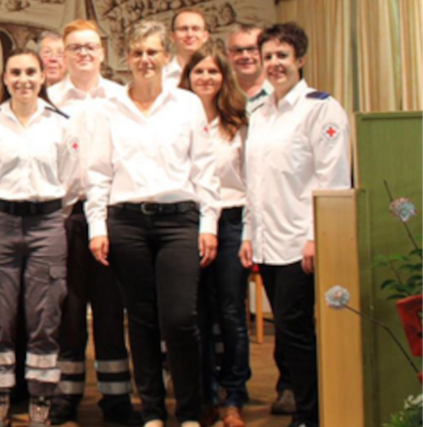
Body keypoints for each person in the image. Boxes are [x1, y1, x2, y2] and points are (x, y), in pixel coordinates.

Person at [84, 20, 219, 427]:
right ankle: (154, 412)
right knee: (140, 321)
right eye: (138, 52)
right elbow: (96, 173)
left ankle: (190, 412)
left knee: (180, 319)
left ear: (165, 56)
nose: (145, 60)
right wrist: (97, 227)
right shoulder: (106, 109)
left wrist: (209, 223)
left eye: (153, 52)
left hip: (179, 221)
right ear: (127, 58)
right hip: (126, 222)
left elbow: (205, 169)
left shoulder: (187, 104)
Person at [241, 22, 350, 427]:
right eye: (268, 56)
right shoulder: (260, 112)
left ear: (300, 60)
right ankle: (307, 406)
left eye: (282, 56)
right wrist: (249, 234)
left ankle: (311, 414)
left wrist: (315, 237)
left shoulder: (321, 109)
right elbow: (256, 182)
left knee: (297, 333)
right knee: (286, 334)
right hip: (268, 242)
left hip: (301, 243)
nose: (274, 64)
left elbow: (333, 179)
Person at [0, 48, 77, 427]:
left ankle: (40, 403)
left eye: (31, 72)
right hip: (0, 222)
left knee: (44, 316)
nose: (23, 79)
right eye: (15, 72)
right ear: (4, 79)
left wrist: (46, 210)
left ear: (42, 76)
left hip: (47, 224)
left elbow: (72, 181)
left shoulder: (61, 124)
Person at [45, 19, 140, 427]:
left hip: (111, 215)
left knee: (109, 307)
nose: (83, 53)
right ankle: (65, 396)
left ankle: (116, 399)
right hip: (63, 216)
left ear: (102, 52)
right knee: (67, 309)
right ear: (63, 55)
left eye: (90, 47)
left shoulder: (122, 98)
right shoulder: (48, 99)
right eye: (75, 48)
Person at [178, 44, 251, 427]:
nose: (205, 78)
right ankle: (203, 395)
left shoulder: (238, 122)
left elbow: (252, 181)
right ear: (187, 78)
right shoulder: (176, 119)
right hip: (189, 224)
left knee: (231, 312)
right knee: (195, 314)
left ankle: (233, 397)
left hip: (232, 221)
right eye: (198, 72)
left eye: (212, 72)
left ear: (225, 77)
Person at [227, 23, 273, 115]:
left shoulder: (281, 93)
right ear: (228, 55)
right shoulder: (220, 94)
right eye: (238, 50)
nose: (245, 56)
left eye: (252, 49)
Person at [164, 7, 210, 88]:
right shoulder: (161, 77)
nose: (189, 34)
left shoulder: (219, 75)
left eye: (195, 29)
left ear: (205, 36)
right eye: (183, 29)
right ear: (172, 36)